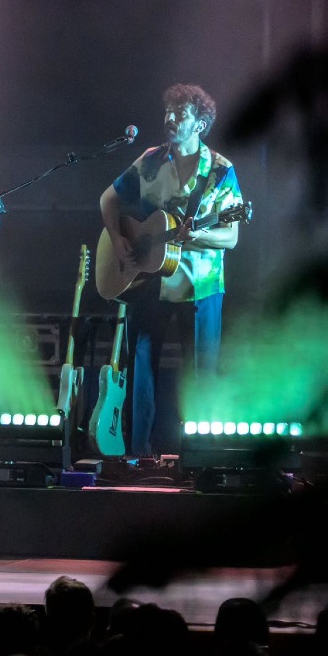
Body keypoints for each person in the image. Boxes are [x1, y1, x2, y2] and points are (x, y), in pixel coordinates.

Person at [99, 83, 244, 457]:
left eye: (180, 114)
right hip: (148, 281)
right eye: (168, 112)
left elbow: (230, 237)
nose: (170, 119)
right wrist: (118, 240)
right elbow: (108, 199)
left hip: (202, 286)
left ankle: (199, 456)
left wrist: (196, 234)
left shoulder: (222, 171)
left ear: (200, 124)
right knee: (140, 370)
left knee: (199, 377)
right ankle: (136, 456)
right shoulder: (148, 160)